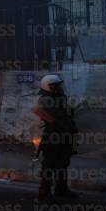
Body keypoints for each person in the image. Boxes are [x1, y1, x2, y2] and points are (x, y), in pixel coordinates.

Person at [32, 74, 78, 202]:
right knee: (49, 165)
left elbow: (67, 114)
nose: (60, 88)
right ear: (50, 87)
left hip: (64, 134)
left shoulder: (59, 97)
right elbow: (40, 112)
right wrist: (55, 122)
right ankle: (44, 193)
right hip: (52, 136)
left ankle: (61, 189)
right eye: (57, 86)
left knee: (63, 163)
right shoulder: (45, 99)